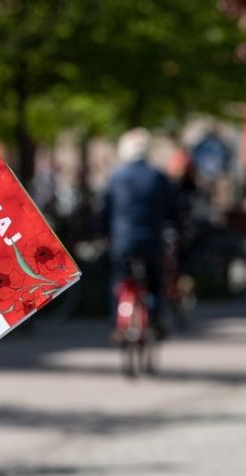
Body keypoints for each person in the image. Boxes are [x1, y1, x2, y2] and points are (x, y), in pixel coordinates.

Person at [102, 128, 174, 339]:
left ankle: (116, 323)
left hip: (122, 240)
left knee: (118, 280)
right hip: (151, 240)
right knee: (154, 281)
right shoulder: (157, 176)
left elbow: (105, 210)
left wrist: (103, 232)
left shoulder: (116, 177)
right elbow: (171, 209)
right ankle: (155, 319)